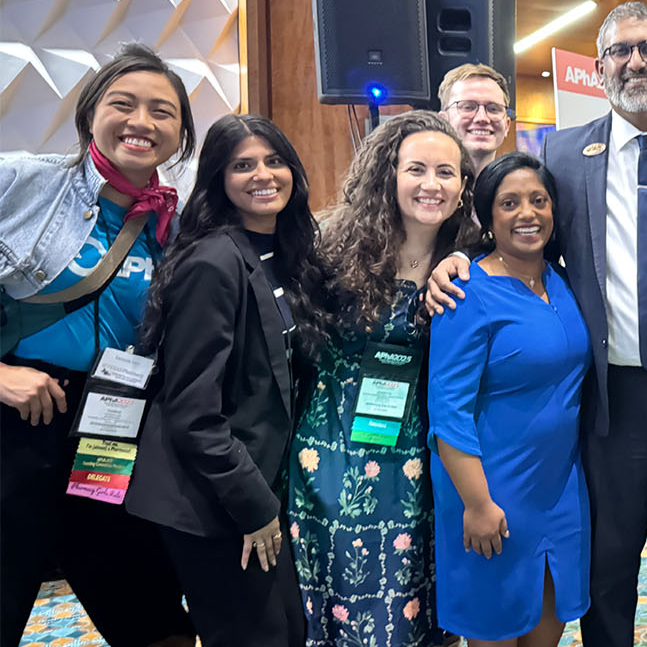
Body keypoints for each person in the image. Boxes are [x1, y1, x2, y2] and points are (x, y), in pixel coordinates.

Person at [427, 3, 647, 644]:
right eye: (619, 51)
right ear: (599, 68)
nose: (634, 61)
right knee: (608, 562)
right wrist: (458, 258)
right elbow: (523, 235)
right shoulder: (563, 152)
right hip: (608, 396)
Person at [0, 42, 196, 647]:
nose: (142, 122)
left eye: (162, 111)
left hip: (113, 423)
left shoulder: (179, 225)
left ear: (181, 132)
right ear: (91, 114)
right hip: (18, 417)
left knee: (153, 615)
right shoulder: (23, 181)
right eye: (123, 104)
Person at [127, 113, 330, 646]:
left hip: (257, 485)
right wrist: (255, 507)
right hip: (211, 498)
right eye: (243, 165)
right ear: (218, 178)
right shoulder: (212, 262)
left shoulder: (287, 252)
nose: (263, 175)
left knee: (287, 631)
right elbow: (193, 412)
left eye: (274, 161)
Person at [285, 110, 474, 645]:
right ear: (388, 175)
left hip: (421, 456)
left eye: (446, 172)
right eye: (417, 169)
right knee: (341, 599)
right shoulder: (332, 247)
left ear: (464, 186)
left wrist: (463, 255)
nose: (432, 184)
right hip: (331, 452)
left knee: (415, 598)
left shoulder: (472, 259)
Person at [426, 152, 590, 646]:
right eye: (510, 203)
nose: (527, 214)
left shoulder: (562, 281)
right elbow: (448, 411)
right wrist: (477, 504)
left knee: (548, 628)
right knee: (494, 629)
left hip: (560, 489)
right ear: (488, 216)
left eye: (539, 200)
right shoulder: (465, 292)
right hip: (491, 490)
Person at [439, 63, 513, 176]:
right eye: (468, 107)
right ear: (443, 121)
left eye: (493, 109)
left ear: (507, 126)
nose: (482, 118)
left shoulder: (519, 185)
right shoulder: (426, 185)